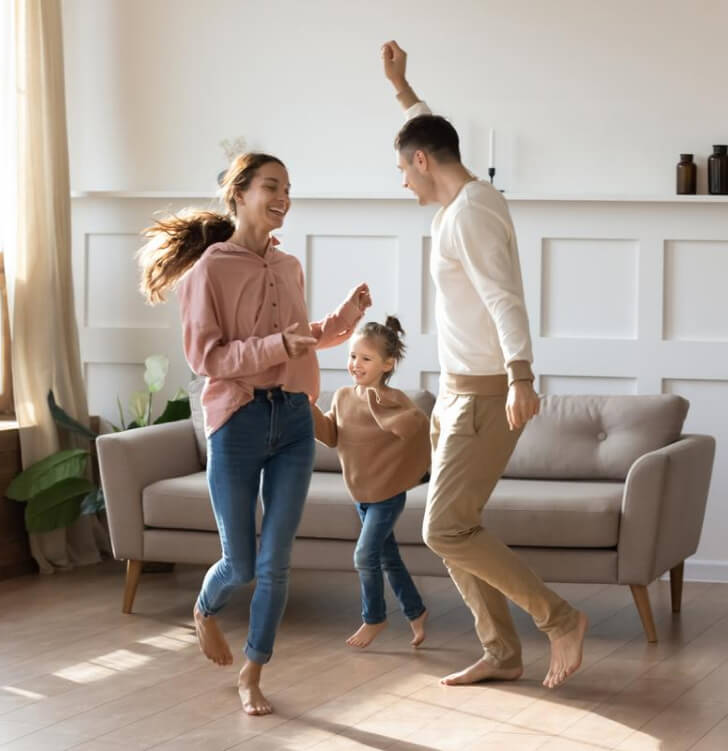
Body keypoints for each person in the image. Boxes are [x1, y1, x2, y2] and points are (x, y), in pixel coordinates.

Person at [380, 41, 587, 689]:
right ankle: (500, 651)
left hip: (484, 395)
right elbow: (429, 130)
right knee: (454, 528)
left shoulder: (469, 213)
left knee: (443, 525)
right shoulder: (463, 199)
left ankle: (558, 618)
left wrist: (522, 377)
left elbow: (504, 299)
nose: (402, 180)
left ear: (420, 162)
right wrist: (402, 88)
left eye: (402, 169)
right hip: (455, 393)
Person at [138, 152, 371, 715]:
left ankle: (253, 673)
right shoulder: (210, 270)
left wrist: (340, 322)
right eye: (272, 186)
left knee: (275, 564)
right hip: (237, 423)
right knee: (239, 563)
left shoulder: (288, 267)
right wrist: (275, 347)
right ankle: (204, 609)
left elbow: (295, 337)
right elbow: (205, 357)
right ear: (238, 193)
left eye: (288, 187)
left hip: (291, 419)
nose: (283, 195)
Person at [312, 316, 430, 649]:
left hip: (387, 494)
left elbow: (412, 427)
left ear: (387, 364)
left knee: (364, 556)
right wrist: (307, 411)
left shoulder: (395, 400)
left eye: (366, 358)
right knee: (387, 558)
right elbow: (332, 435)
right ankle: (417, 612)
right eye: (353, 356)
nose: (355, 364)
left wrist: (382, 411)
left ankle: (373, 618)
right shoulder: (343, 396)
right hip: (360, 493)